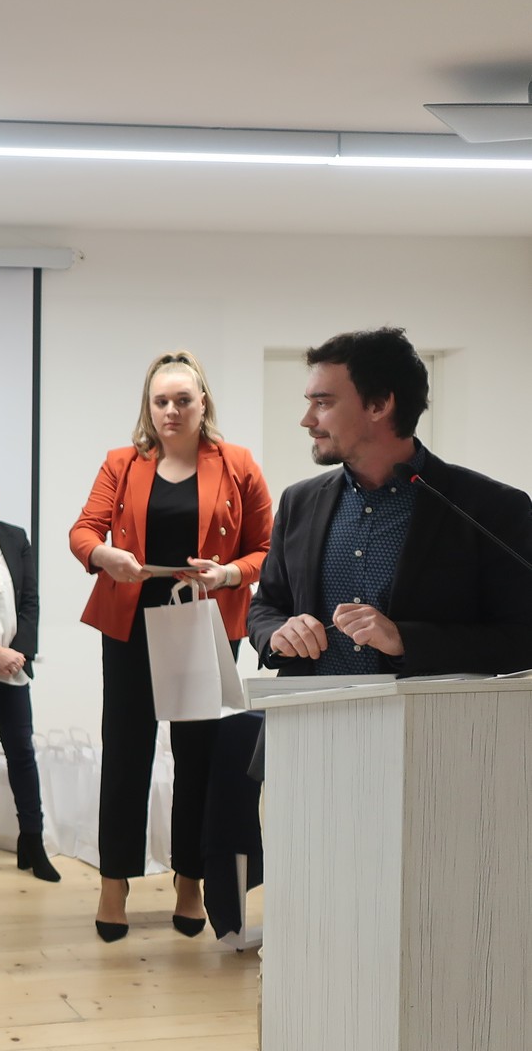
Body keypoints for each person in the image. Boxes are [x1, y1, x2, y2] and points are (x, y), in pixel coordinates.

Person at [68, 351, 272, 943]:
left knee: (198, 758)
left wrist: (229, 574)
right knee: (126, 754)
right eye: (161, 401)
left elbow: (267, 549)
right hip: (130, 625)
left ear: (203, 402)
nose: (171, 410)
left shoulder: (237, 464)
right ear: (148, 406)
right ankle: (114, 883)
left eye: (183, 399)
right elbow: (83, 531)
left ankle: (190, 880)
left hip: (204, 623)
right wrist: (105, 556)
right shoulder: (122, 463)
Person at [248, 326, 532, 678]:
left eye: (323, 403)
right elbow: (266, 607)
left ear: (379, 405)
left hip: (425, 714)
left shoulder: (492, 508)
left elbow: (523, 638)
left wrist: (404, 640)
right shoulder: (299, 502)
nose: (307, 420)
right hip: (307, 711)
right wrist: (277, 633)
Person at [0, 456, 60, 882]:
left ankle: (32, 843)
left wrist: (17, 653)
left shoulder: (15, 537)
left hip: (12, 668)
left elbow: (30, 601)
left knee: (22, 753)